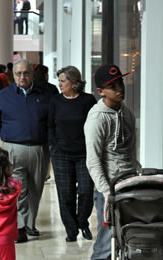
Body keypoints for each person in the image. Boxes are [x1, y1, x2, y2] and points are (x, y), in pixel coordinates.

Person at [84, 64, 140, 260]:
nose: (120, 89)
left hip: (130, 186)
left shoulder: (126, 113)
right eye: (113, 86)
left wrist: (139, 175)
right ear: (100, 91)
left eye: (121, 83)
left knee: (127, 243)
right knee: (106, 244)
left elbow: (130, 152)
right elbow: (93, 162)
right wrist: (107, 193)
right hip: (108, 191)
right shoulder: (97, 118)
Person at [0, 59, 52, 243]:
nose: (22, 77)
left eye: (26, 73)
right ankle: (20, 227)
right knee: (19, 190)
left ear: (32, 74)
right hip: (12, 150)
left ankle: (30, 224)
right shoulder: (4, 95)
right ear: (12, 75)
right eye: (18, 73)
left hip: (40, 149)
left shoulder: (47, 92)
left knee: (36, 189)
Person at [48, 66, 96, 242]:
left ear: (74, 83)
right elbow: (50, 126)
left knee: (85, 191)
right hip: (61, 154)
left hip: (84, 154)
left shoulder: (88, 100)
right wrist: (53, 146)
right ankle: (71, 230)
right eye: (59, 80)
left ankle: (82, 222)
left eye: (63, 81)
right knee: (65, 194)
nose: (59, 84)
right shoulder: (55, 101)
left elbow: (94, 125)